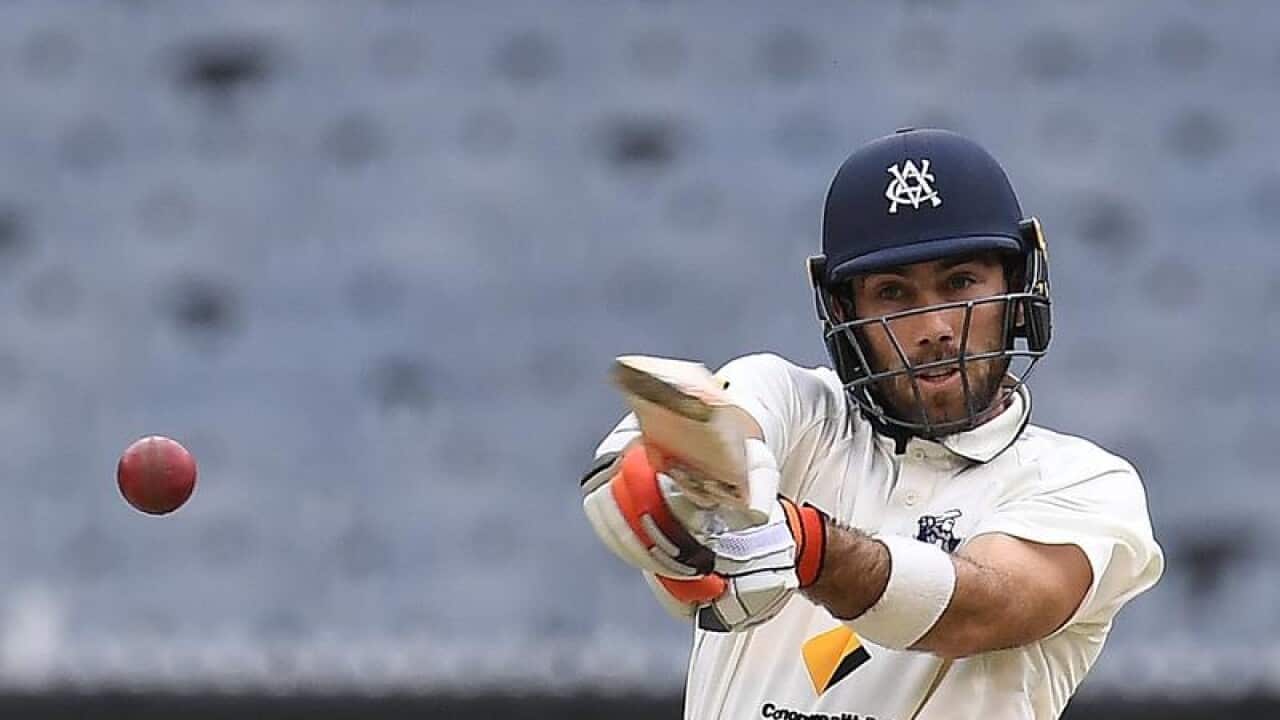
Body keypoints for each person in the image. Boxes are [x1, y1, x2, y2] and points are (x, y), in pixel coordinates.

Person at [581, 128, 1163, 720]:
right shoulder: (801, 409)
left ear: (1016, 285)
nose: (934, 325)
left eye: (961, 282)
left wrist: (809, 547)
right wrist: (672, 482)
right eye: (893, 293)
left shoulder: (1085, 484)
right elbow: (722, 427)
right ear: (843, 311)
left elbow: (985, 608)